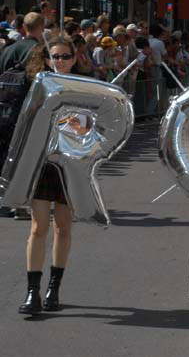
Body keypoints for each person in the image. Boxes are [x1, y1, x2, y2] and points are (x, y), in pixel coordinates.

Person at [18, 35, 89, 314]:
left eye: (65, 56)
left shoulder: (84, 88)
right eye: (55, 57)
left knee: (63, 227)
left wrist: (79, 127)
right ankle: (32, 291)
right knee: (38, 227)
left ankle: (53, 288)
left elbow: (92, 129)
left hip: (69, 163)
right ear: (46, 59)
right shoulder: (38, 87)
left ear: (74, 58)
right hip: (42, 163)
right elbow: (26, 124)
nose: (60, 61)